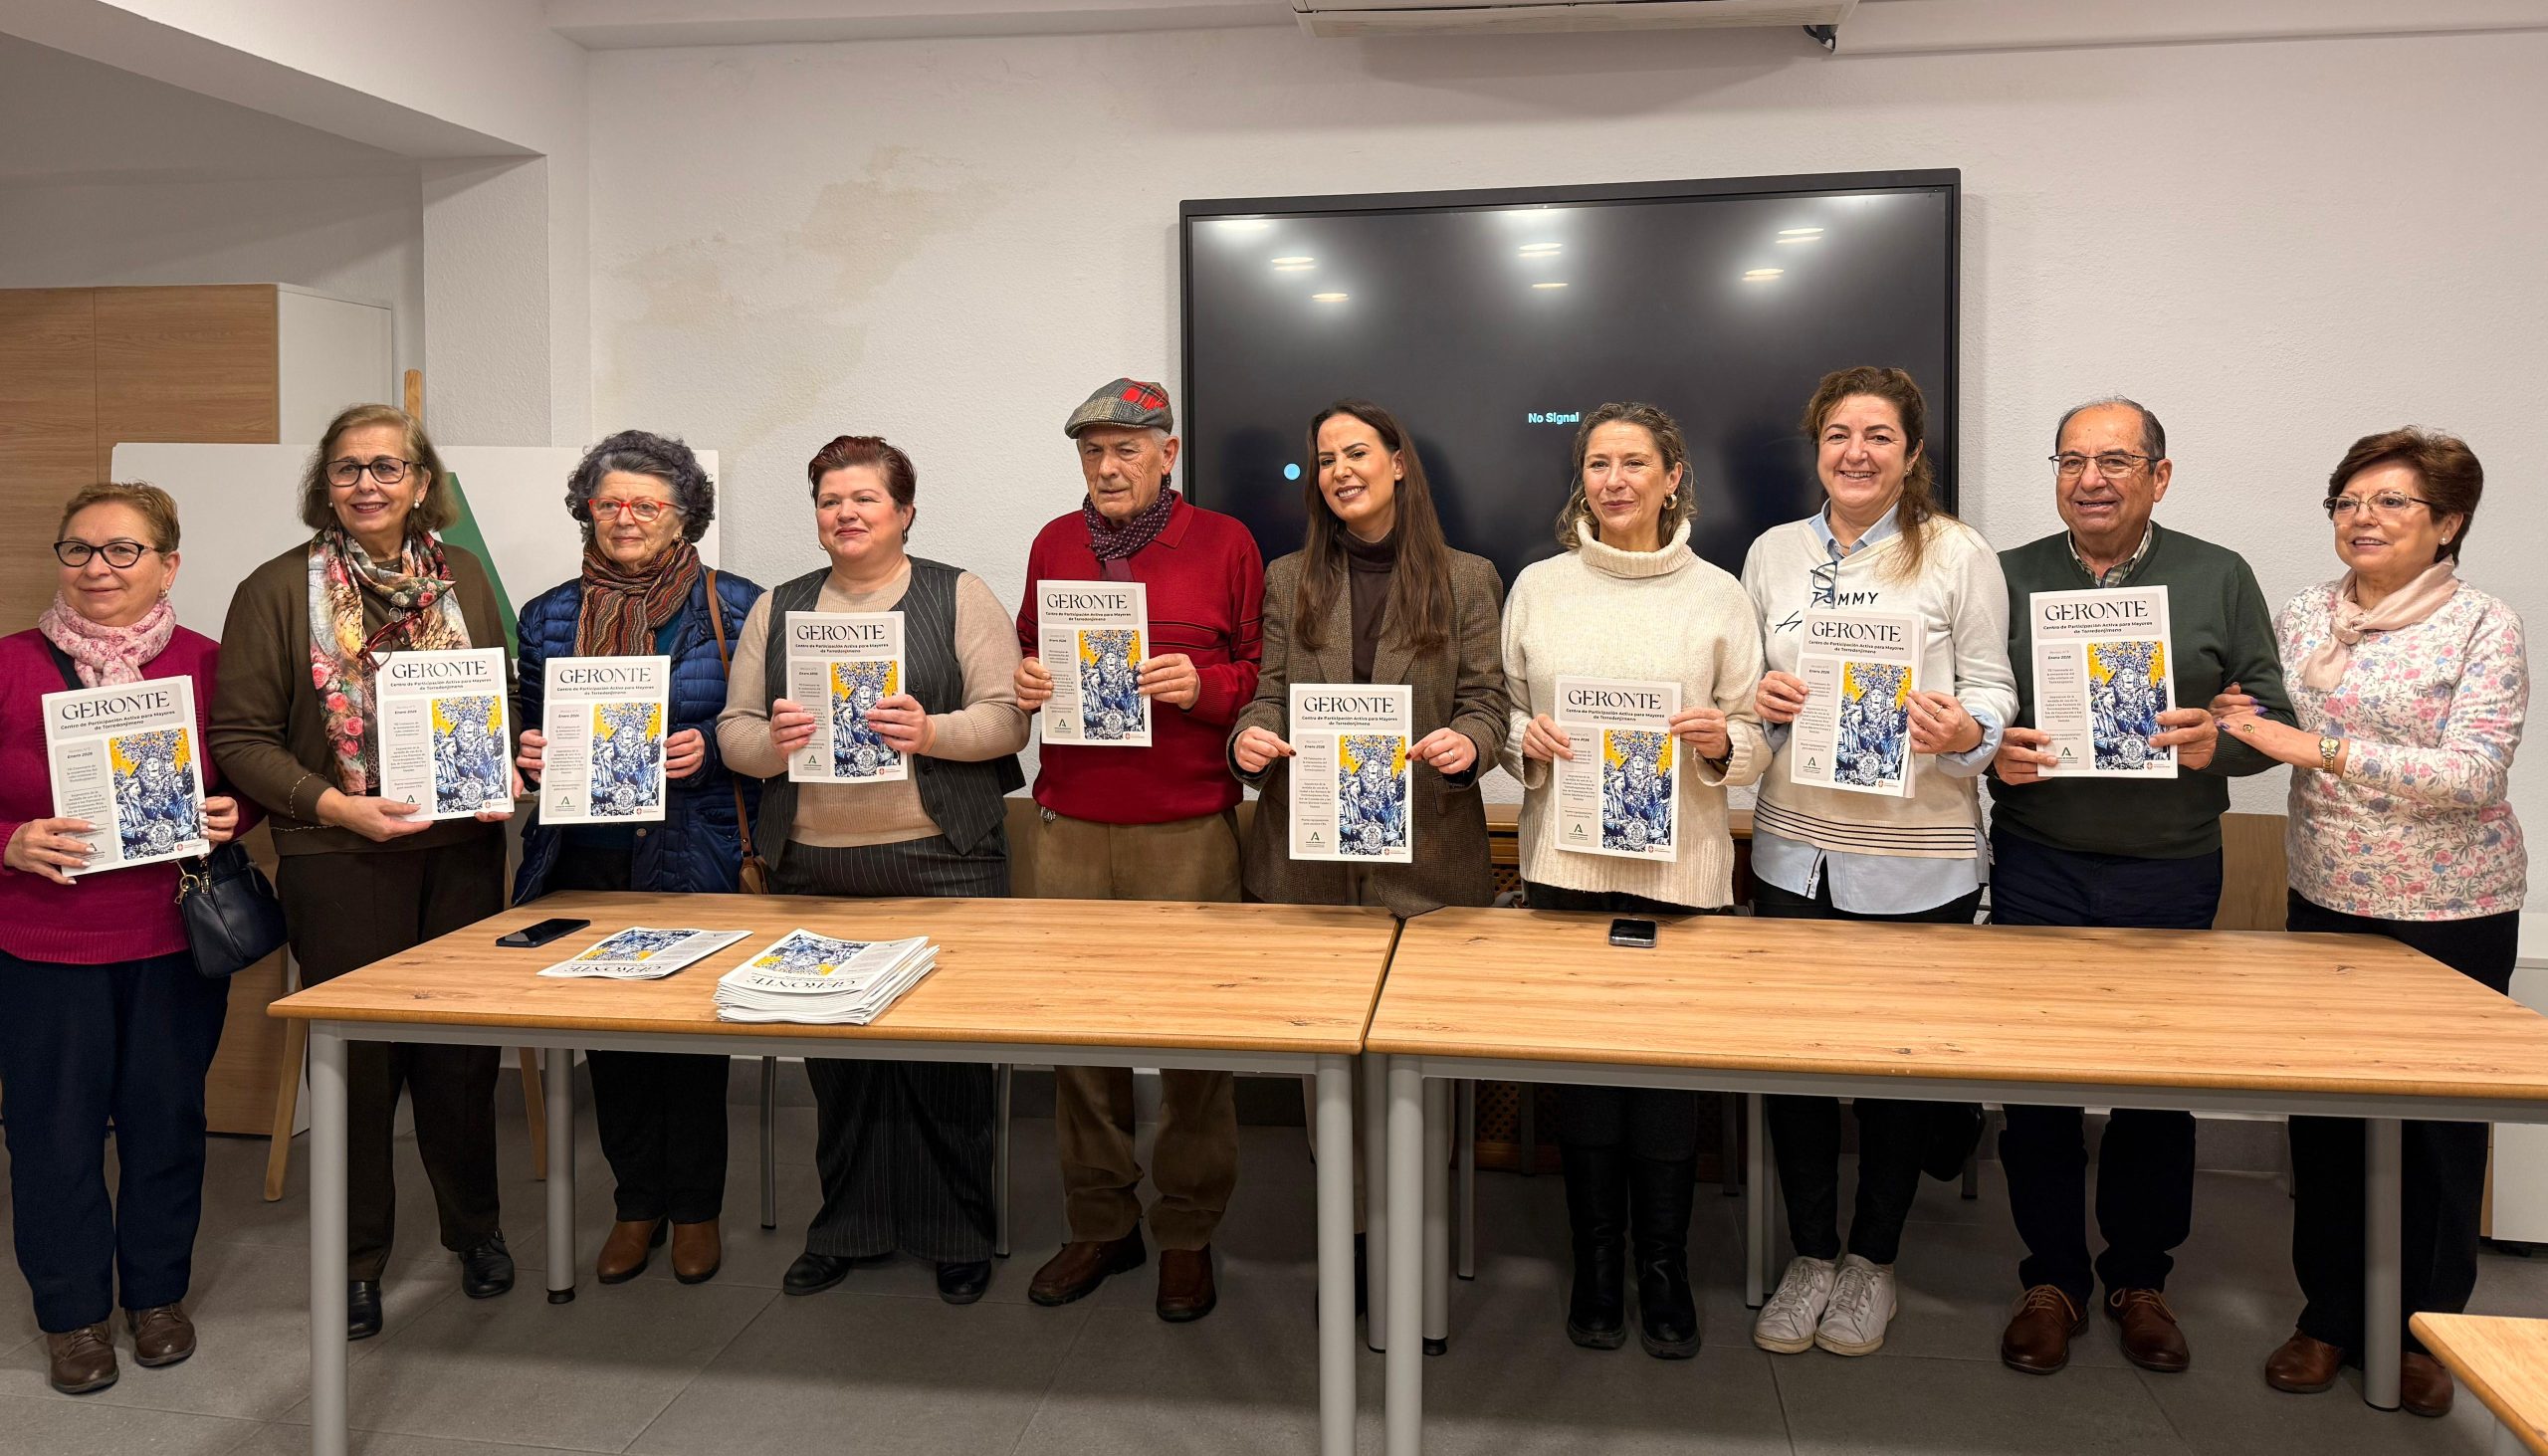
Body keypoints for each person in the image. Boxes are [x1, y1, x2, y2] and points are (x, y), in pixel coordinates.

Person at [2209, 429, 2525, 1418]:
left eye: (2391, 501)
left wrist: (2320, 747)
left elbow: (2475, 772)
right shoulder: (2308, 613)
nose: (2363, 518)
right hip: (2327, 895)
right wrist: (2231, 717)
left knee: (2437, 1133)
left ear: (2449, 522)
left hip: (2453, 908)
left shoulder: (2483, 624)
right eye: (2348, 500)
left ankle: (2425, 1331)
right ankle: (2330, 1316)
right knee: (2330, 1121)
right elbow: (2265, 722)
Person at [1988, 396, 2294, 1377]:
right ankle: (2050, 1278)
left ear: (2159, 475)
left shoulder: (2217, 574)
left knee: (2156, 1086)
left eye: (2115, 460)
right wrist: (1992, 752)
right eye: (2072, 460)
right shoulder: (2007, 575)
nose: (2091, 479)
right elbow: (1973, 707)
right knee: (2035, 1081)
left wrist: (2220, 742)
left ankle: (2140, 1278)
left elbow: (2269, 716)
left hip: (2169, 866)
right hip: (2038, 861)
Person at [208, 404, 519, 1343]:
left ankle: (475, 1228)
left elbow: (494, 699)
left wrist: (502, 767)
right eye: (348, 468)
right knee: (359, 1063)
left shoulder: (462, 575)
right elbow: (240, 739)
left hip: (460, 850)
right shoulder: (276, 588)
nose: (368, 484)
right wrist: (337, 807)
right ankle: (356, 1259)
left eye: (388, 467)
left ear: (422, 483)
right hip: (339, 856)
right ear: (325, 483)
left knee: (462, 1055)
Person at [1739, 366, 2017, 1358]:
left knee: (1899, 1073)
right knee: (1798, 1067)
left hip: (1917, 860)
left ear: (1911, 452)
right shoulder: (1771, 553)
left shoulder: (1956, 553)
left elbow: (1993, 687)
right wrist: (1761, 701)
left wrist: (1965, 728)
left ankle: (1873, 1261)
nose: (1856, 453)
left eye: (1879, 436)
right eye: (1839, 435)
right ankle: (1811, 1252)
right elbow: (1745, 694)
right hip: (1792, 854)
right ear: (1817, 446)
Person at [717, 434, 1026, 1306]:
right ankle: (847, 1228)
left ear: (905, 511)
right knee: (840, 1067)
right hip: (815, 866)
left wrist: (931, 732)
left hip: (945, 861)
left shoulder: (958, 593)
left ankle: (955, 1232)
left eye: (865, 499)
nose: (845, 513)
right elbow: (735, 732)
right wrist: (773, 746)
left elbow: (1008, 718)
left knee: (945, 1064)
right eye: (830, 500)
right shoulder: (778, 607)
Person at [1227, 400, 1511, 1310]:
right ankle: (1352, 1245)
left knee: (1417, 1078)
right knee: (1333, 1087)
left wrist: (1471, 743)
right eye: (1324, 459)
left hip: (1427, 866)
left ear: (1397, 462)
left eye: (1356, 452)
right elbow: (1267, 696)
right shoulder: (1289, 578)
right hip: (1309, 871)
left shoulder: (1468, 578)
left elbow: (1488, 703)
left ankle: (1413, 1246)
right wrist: (1248, 740)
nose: (1340, 470)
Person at [1501, 400, 1768, 1359]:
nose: (1615, 480)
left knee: (1663, 1084)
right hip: (1564, 873)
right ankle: (1597, 1264)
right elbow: (1504, 718)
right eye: (1598, 464)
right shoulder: (1538, 587)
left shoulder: (1719, 595)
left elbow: (1756, 738)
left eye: (1635, 463)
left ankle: (1664, 1267)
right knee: (1584, 1079)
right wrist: (1523, 743)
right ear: (1583, 479)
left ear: (1672, 477)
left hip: (1681, 878)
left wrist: (1723, 742)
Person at [1015, 378, 1265, 1324]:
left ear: (1169, 453)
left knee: (1197, 1040)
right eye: (1092, 451)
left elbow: (1262, 672)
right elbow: (1029, 651)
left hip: (1186, 829)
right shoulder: (1054, 541)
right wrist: (1028, 680)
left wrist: (1204, 687)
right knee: (1078, 1040)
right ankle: (1101, 1223)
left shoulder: (1226, 542)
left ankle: (1188, 1231)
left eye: (1126, 449)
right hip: (1071, 827)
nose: (1107, 467)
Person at [0, 485, 248, 1395]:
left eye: (122, 550)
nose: (97, 568)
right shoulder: (8, 664)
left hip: (171, 941)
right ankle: (72, 1315)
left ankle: (156, 1296)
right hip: (43, 945)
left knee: (166, 1122)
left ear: (168, 564)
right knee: (52, 1134)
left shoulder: (209, 664)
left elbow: (250, 770)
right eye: (78, 549)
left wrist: (238, 811)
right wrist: (9, 842)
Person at [511, 431, 763, 1287]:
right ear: (586, 510)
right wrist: (527, 749)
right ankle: (635, 1204)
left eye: (646, 504)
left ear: (684, 516)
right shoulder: (547, 614)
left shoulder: (737, 605)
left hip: (693, 850)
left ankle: (696, 1209)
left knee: (690, 1039)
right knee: (610, 1040)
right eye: (609, 502)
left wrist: (713, 750)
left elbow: (775, 726)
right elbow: (521, 720)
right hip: (584, 858)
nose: (625, 517)